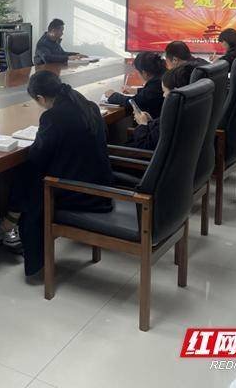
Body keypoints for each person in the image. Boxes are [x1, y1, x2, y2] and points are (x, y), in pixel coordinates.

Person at [19, 71, 114, 276]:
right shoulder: (88, 106)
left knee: (29, 183)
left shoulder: (53, 117)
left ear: (40, 98)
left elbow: (37, 158)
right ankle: (11, 218)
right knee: (31, 181)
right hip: (101, 186)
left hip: (82, 193)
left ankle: (14, 226)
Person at [128, 63, 196, 150]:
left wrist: (142, 124)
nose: (163, 95)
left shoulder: (172, 116)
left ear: (175, 92)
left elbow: (144, 146)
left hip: (137, 155)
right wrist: (150, 122)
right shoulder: (188, 110)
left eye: (164, 91)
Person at [106, 51, 166, 119]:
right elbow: (149, 93)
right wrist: (136, 90)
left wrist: (113, 95)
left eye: (138, 72)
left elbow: (134, 103)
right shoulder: (163, 76)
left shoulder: (156, 85)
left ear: (144, 73)